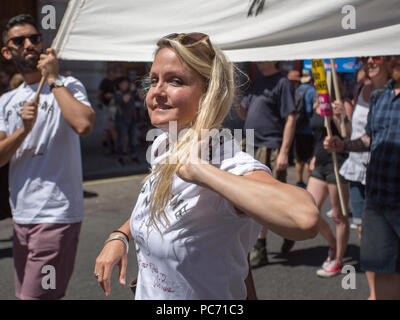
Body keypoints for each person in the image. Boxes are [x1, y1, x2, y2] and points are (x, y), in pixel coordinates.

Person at [94, 32, 319, 300]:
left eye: (175, 81)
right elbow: (162, 207)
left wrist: (201, 171)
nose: (156, 92)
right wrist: (120, 235)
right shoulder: (163, 145)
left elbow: (304, 218)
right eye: (153, 80)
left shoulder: (227, 163)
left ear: (209, 91)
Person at [0, 14, 95, 299]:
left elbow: (84, 124)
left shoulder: (69, 85)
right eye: (19, 41)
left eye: (35, 38)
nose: (29, 44)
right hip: (21, 217)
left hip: (56, 216)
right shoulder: (6, 101)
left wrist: (53, 78)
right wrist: (23, 130)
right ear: (7, 51)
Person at [324, 55, 400, 299]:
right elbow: (369, 139)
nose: (369, 60)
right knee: (381, 269)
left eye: (376, 55)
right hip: (377, 198)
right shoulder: (380, 96)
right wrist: (343, 145)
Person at [235, 61, 297, 267]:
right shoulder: (257, 82)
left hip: (271, 146)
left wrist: (284, 152)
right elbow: (244, 114)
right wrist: (235, 100)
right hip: (251, 145)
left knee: (269, 200)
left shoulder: (282, 83)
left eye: (263, 58)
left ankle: (273, 239)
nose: (259, 61)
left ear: (273, 59)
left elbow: (290, 118)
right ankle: (278, 235)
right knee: (255, 198)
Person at [338, 56, 390, 300]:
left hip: (385, 177)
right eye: (364, 58)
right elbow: (361, 135)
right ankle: (374, 292)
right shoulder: (362, 90)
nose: (368, 61)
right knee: (366, 234)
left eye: (376, 56)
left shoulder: (390, 94)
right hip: (358, 170)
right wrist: (342, 139)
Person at [307, 90, 351, 278]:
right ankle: (333, 244)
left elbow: (347, 135)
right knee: (310, 212)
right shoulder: (318, 103)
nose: (319, 83)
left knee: (338, 215)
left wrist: (340, 116)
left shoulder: (342, 103)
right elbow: (317, 135)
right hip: (320, 162)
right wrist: (314, 156)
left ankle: (338, 260)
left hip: (337, 162)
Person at [294, 70, 316, 189]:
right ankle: (308, 184)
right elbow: (313, 109)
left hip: (297, 128)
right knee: (308, 158)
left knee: (298, 157)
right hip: (309, 129)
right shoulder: (312, 91)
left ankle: (298, 181)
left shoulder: (298, 89)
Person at [114, 76, 138, 165]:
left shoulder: (131, 93)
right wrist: (131, 91)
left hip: (132, 119)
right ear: (119, 85)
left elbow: (140, 98)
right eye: (123, 84)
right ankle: (119, 157)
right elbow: (125, 100)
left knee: (133, 140)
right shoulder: (118, 93)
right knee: (121, 139)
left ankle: (133, 157)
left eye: (126, 83)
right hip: (121, 120)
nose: (125, 85)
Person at [98, 65, 120, 155]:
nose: (114, 74)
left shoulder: (117, 82)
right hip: (107, 107)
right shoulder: (105, 82)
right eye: (113, 72)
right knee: (108, 128)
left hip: (116, 107)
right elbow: (99, 94)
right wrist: (103, 99)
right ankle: (110, 147)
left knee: (111, 128)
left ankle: (112, 147)